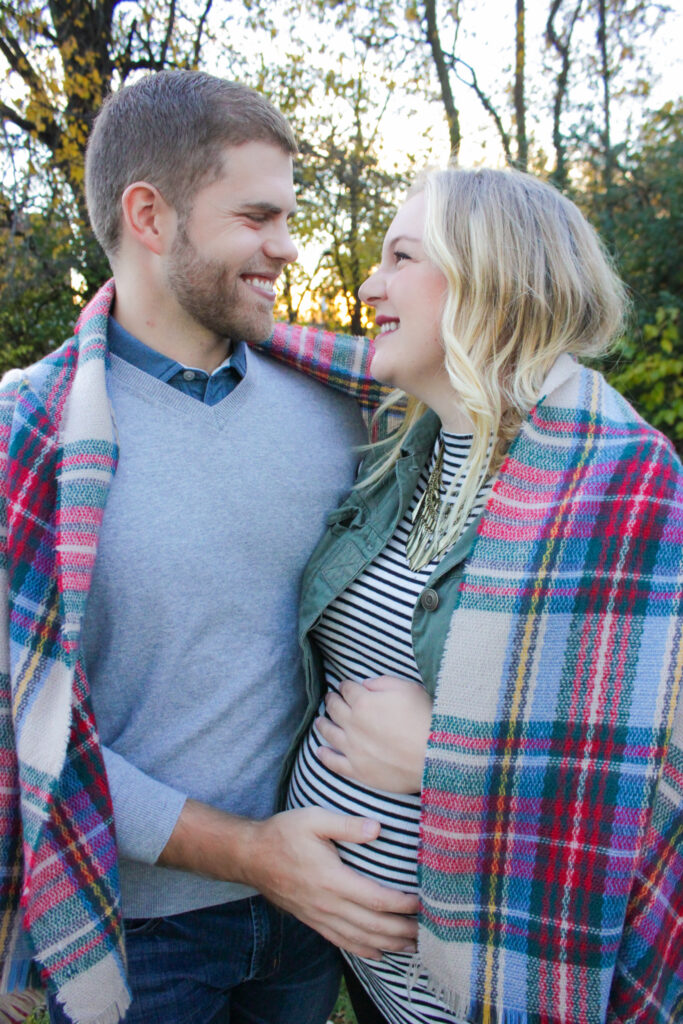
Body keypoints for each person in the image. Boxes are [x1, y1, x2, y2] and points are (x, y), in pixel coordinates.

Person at [0, 70, 419, 1024]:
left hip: (321, 907)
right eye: (257, 218)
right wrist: (249, 851)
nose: (285, 248)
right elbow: (23, 730)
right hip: (136, 930)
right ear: (151, 215)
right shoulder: (27, 438)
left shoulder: (343, 410)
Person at [265, 168, 683, 1024]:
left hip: (488, 986)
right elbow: (281, 342)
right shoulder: (405, 448)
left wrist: (440, 760)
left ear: (487, 280)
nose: (368, 283)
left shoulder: (619, 483)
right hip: (371, 974)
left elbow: (642, 783)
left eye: (401, 256)